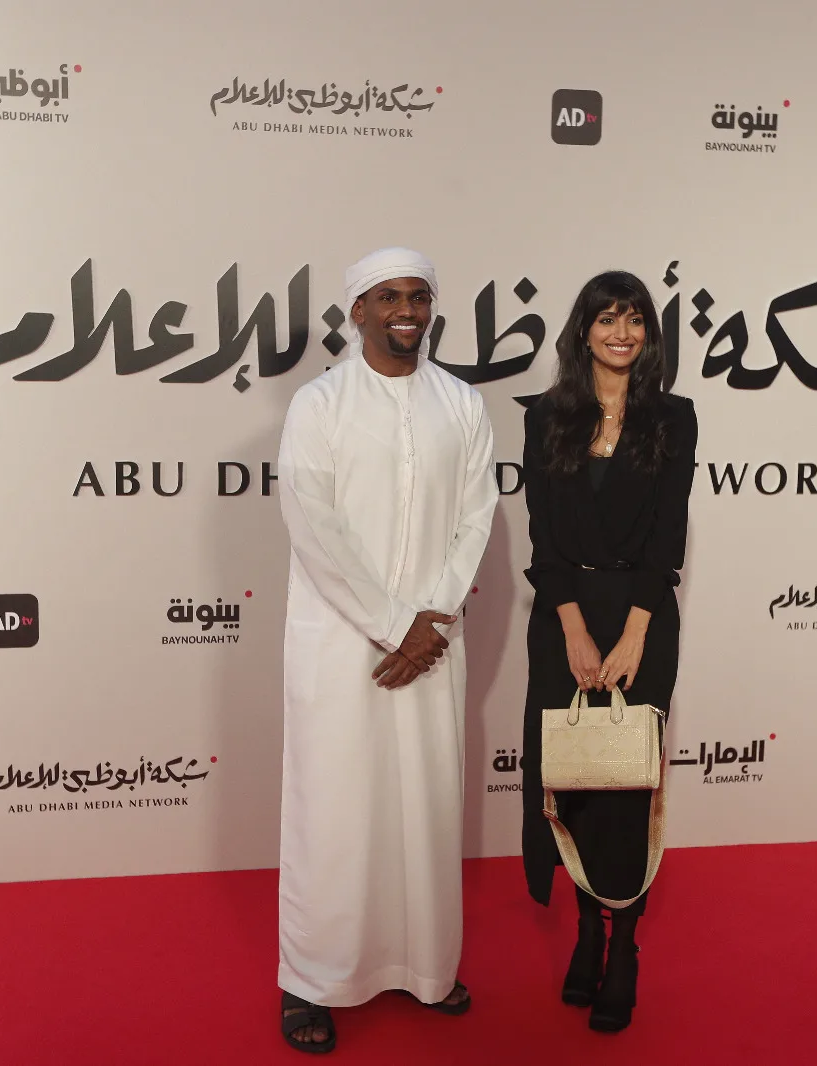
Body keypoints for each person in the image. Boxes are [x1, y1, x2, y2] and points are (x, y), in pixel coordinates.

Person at [275, 247, 498, 1054]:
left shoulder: (462, 404)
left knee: (426, 809)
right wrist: (392, 622)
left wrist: (431, 619)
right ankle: (312, 979)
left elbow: (476, 514)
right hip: (343, 644)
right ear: (358, 311)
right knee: (335, 814)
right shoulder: (319, 404)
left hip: (431, 642)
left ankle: (425, 968)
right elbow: (314, 525)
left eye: (418, 296)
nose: (407, 310)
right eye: (388, 297)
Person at [519, 270, 697, 1032]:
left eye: (635, 320)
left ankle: (623, 945)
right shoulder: (547, 417)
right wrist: (573, 628)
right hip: (565, 619)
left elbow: (667, 536)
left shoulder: (674, 417)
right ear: (583, 331)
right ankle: (586, 933)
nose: (621, 333)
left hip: (642, 620)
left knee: (627, 781)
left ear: (648, 334)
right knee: (574, 780)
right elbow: (542, 536)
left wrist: (631, 631)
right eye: (607, 319)